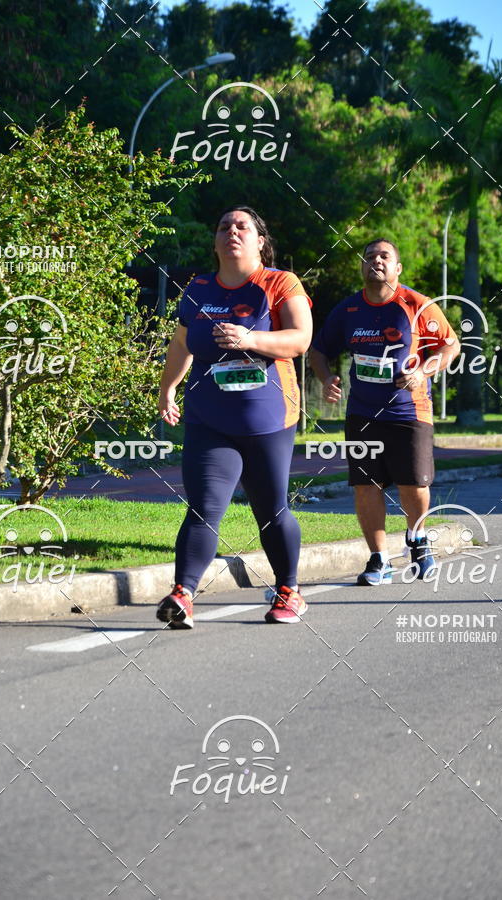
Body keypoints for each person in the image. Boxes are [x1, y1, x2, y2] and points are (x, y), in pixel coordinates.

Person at [156, 206, 313, 627]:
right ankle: (183, 594)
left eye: (242, 226)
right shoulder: (198, 288)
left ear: (260, 240)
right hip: (209, 418)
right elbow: (182, 342)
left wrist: (251, 338)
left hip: (268, 418)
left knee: (271, 508)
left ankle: (289, 590)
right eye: (224, 226)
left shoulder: (280, 283)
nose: (232, 232)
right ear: (215, 240)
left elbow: (300, 339)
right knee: (204, 507)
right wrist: (167, 386)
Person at [309, 238, 460, 585]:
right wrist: (326, 376)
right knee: (366, 485)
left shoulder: (416, 305)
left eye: (384, 256)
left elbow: (450, 345)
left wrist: (423, 371)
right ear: (362, 267)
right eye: (370, 257)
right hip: (362, 413)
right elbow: (318, 350)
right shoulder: (347, 310)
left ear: (397, 268)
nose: (376, 261)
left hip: (410, 411)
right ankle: (378, 559)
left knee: (414, 484)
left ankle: (417, 537)